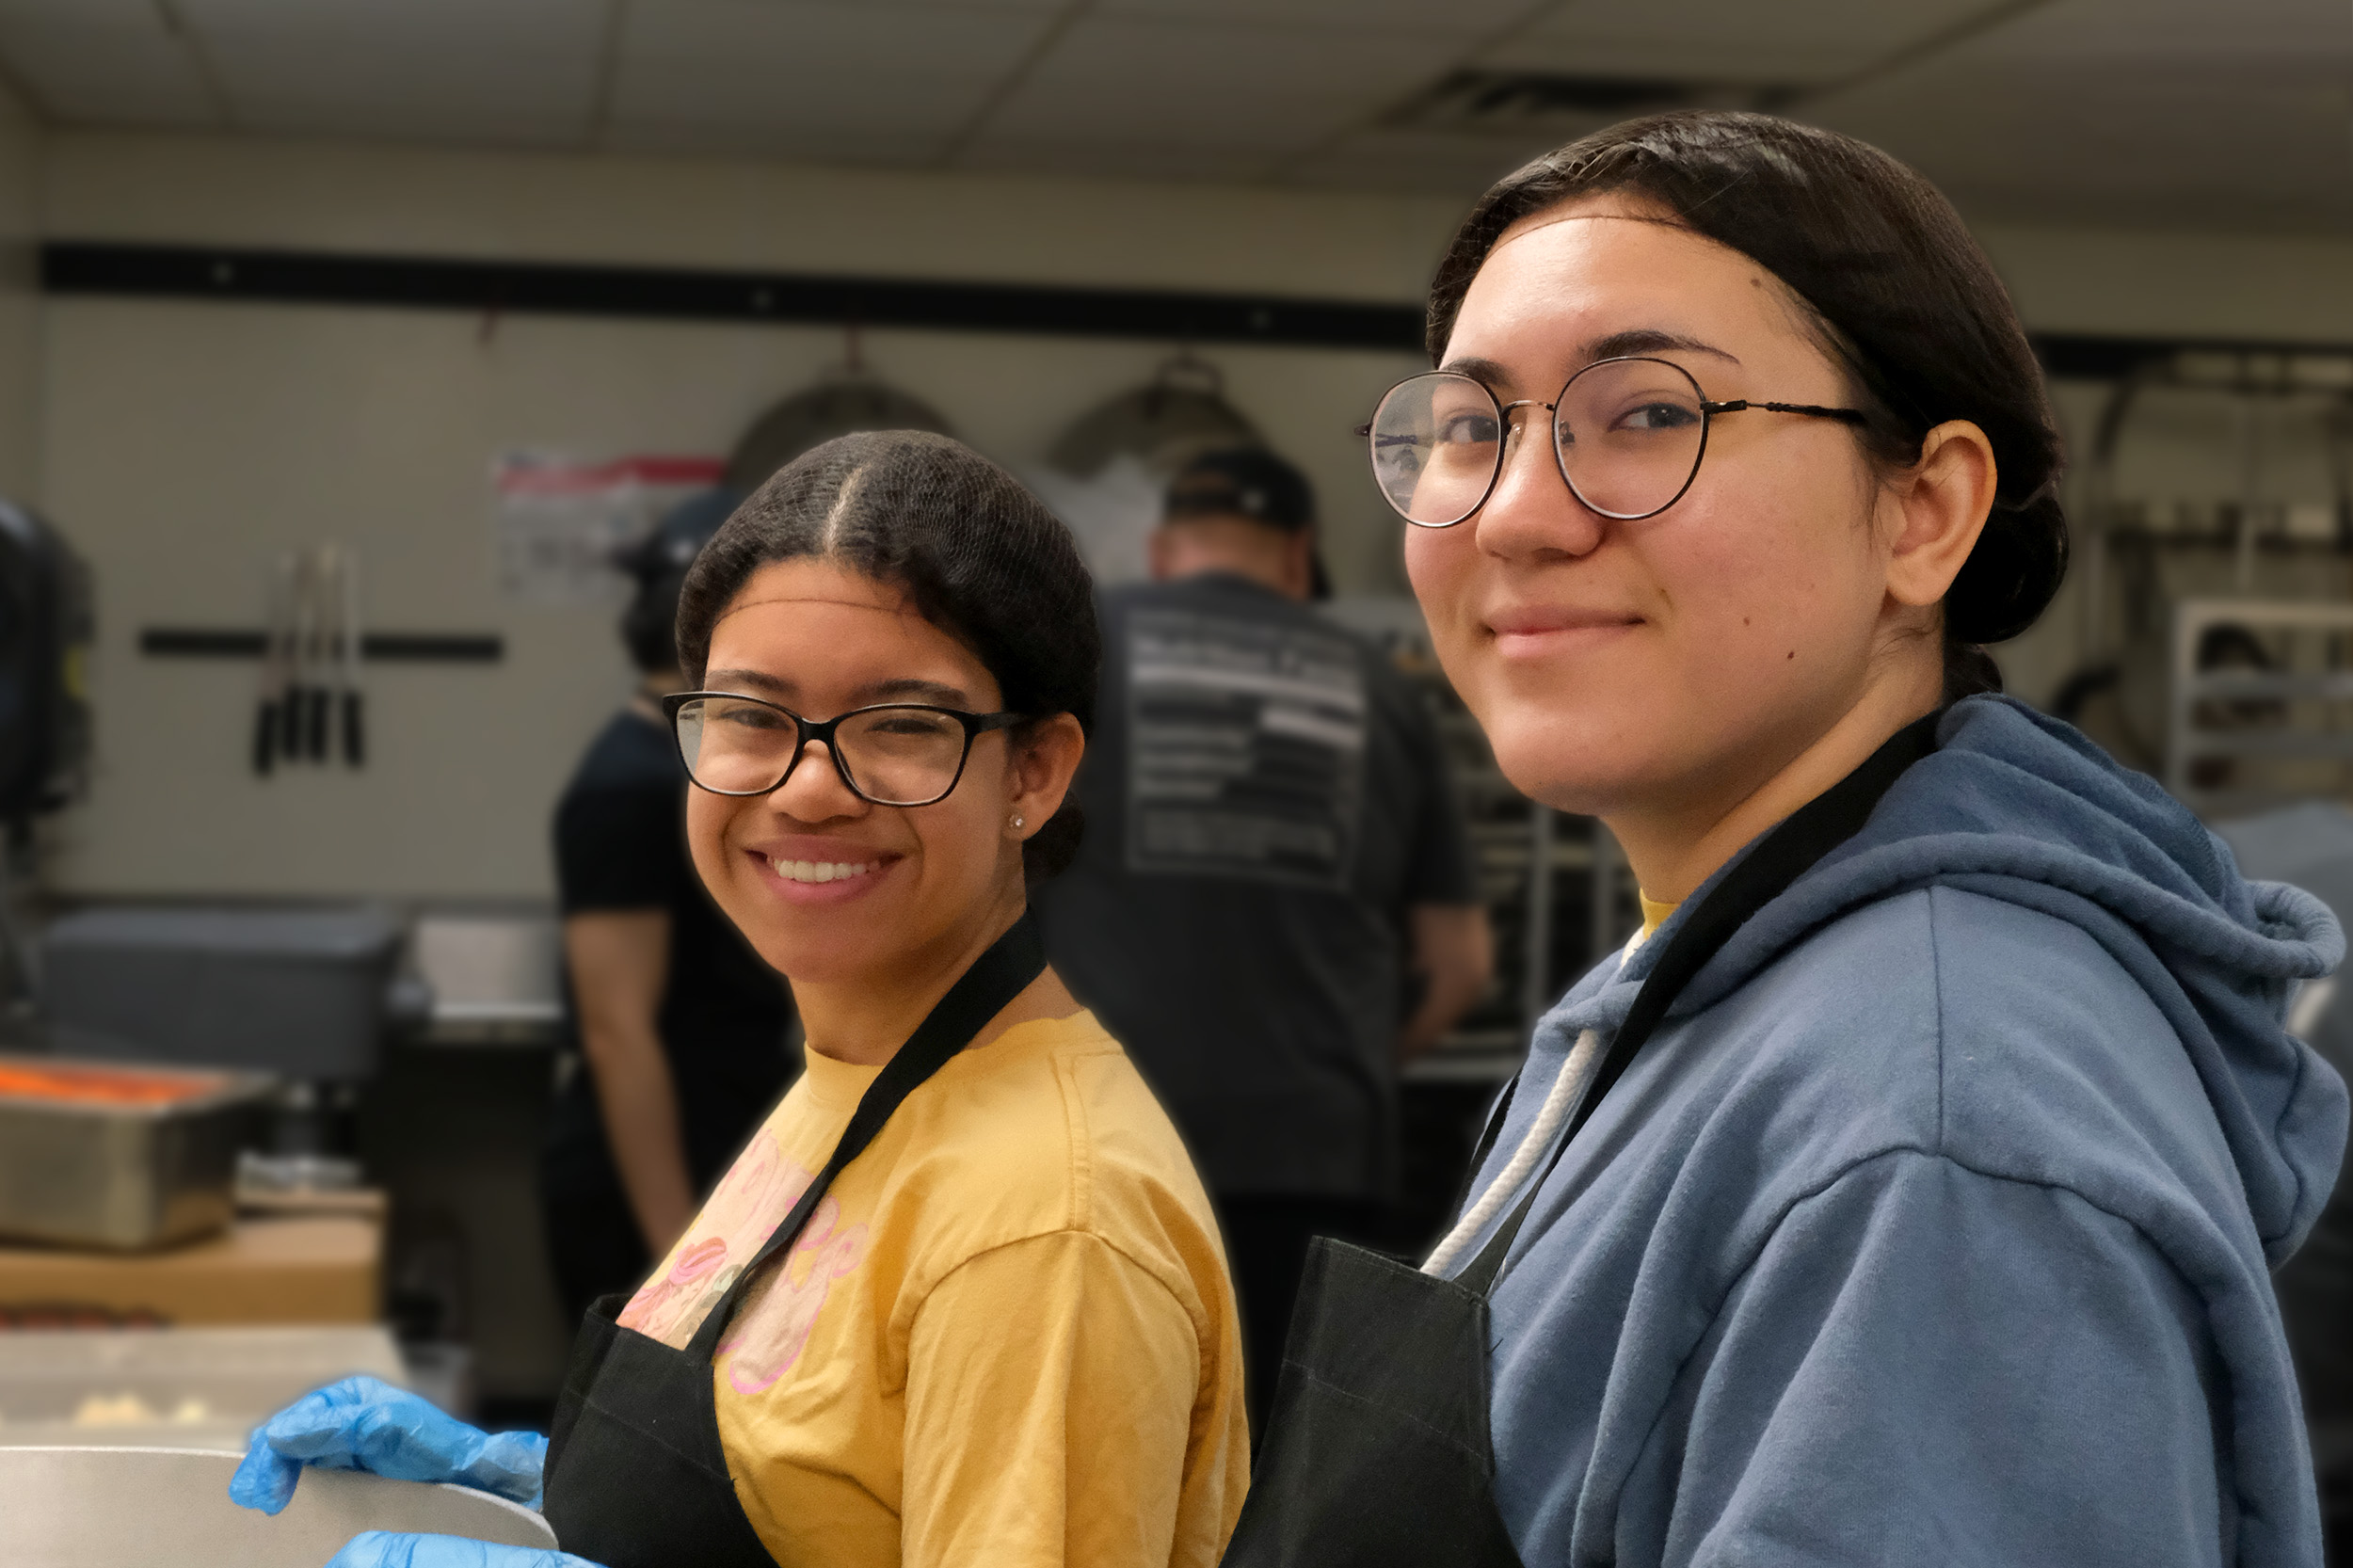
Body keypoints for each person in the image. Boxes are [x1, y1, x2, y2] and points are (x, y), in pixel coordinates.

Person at [1223, 111, 2349, 1568]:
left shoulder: (1936, 1132)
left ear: (1923, 514)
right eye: (1470, 425)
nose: (1515, 512)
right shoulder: (1716, 968)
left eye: (1647, 414)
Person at [235, 431, 1250, 1568]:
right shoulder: (858, 1071)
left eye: (902, 725)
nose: (807, 786)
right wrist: (526, 1487)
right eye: (750, 716)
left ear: (1034, 770)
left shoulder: (1043, 1228)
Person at [1034, 445, 1491, 1432]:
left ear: (1162, 552)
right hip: (1313, 1152)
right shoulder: (1381, 689)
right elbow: (1460, 964)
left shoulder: (1083, 656)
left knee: (1097, 1459)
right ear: (1296, 557)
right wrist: (1350, 1062)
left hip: (1098, 1146)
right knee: (1268, 1474)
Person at [540, 489, 797, 1332]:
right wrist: (676, 1262)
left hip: (722, 1153)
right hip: (649, 1190)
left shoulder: (702, 761)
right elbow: (619, 1034)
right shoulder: (626, 787)